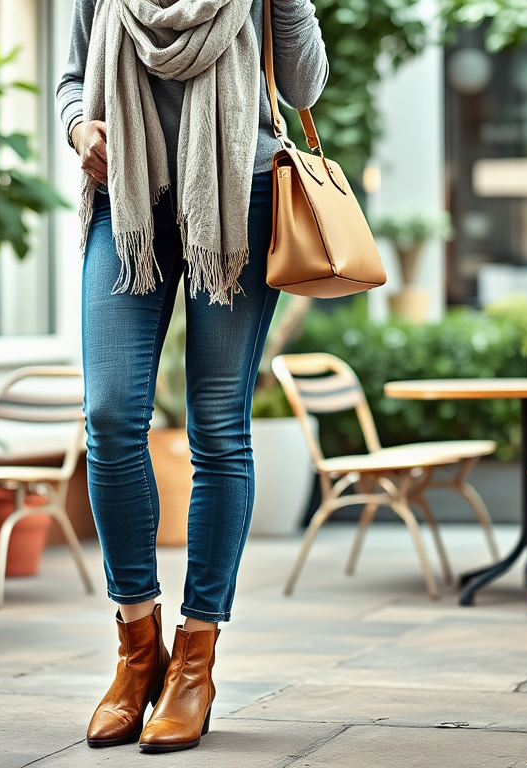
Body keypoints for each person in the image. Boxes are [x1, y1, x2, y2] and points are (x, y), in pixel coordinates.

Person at [56, 0, 328, 753]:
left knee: (216, 427)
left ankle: (195, 661)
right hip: (130, 198)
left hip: (238, 194)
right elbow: (73, 79)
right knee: (110, 416)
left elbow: (303, 88)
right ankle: (137, 650)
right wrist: (80, 128)